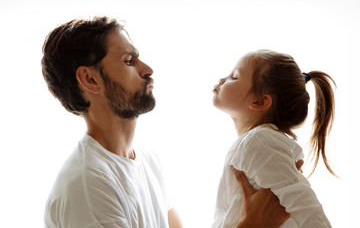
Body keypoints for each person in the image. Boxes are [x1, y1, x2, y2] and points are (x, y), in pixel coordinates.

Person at [42, 16, 293, 228]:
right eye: (129, 61)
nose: (148, 69)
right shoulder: (88, 187)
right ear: (90, 79)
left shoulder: (147, 160)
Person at [212, 49, 335, 228]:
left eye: (234, 76)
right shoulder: (255, 142)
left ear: (260, 102)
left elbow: (305, 204)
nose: (222, 79)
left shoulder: (259, 140)